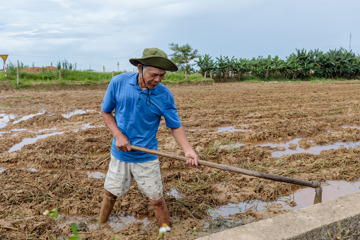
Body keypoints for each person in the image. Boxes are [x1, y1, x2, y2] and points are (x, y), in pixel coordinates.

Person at [99, 48, 199, 228]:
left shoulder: (164, 95)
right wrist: (118, 135)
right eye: (154, 75)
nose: (158, 80)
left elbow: (175, 126)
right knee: (111, 193)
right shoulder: (118, 83)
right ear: (140, 68)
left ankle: (165, 232)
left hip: (146, 156)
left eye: (162, 75)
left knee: (157, 201)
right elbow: (106, 112)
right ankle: (100, 225)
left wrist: (188, 150)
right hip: (120, 153)